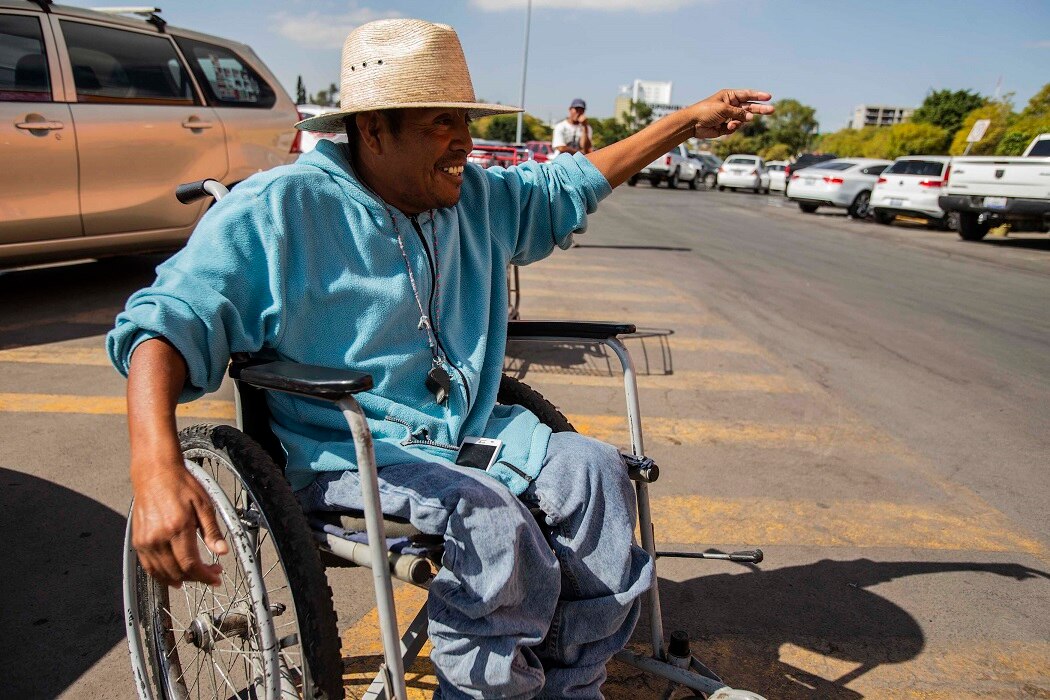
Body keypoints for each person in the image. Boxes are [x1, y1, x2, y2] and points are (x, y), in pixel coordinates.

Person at [107, 17, 772, 699]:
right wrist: (156, 470)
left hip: (472, 438)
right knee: (488, 518)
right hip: (350, 455)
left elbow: (570, 185)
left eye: (465, 119)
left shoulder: (475, 198)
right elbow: (164, 324)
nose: (464, 140)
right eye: (439, 123)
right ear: (372, 131)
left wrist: (686, 125)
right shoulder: (281, 210)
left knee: (598, 475)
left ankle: (569, 685)